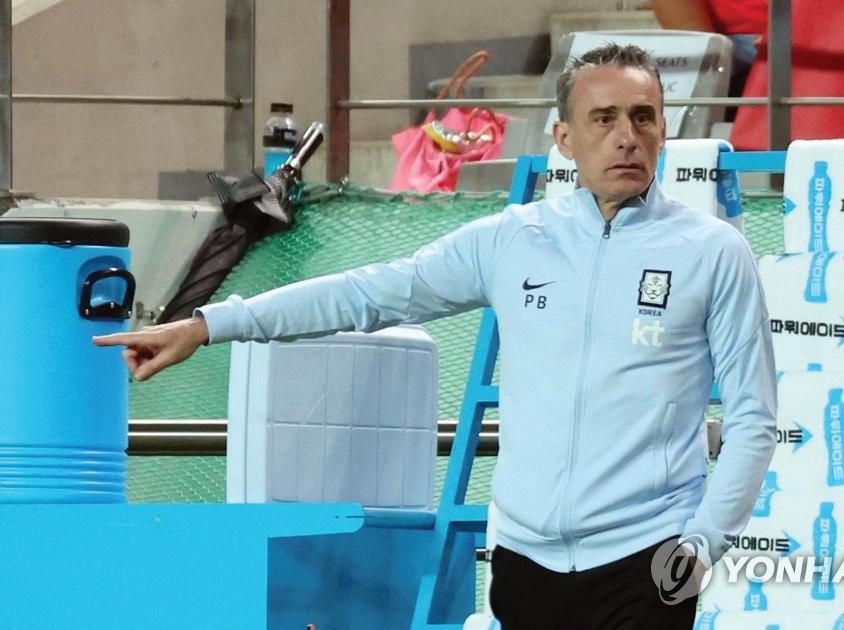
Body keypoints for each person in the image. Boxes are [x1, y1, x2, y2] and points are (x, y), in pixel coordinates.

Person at [95, 43, 777, 629]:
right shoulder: (514, 240)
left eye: (643, 116)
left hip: (646, 560)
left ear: (663, 129)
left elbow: (753, 418)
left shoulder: (712, 251)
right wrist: (211, 323)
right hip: (526, 563)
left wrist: (702, 546)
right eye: (604, 118)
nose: (627, 136)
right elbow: (366, 293)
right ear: (564, 138)